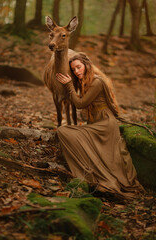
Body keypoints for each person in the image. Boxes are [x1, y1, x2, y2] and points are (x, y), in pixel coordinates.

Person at [56, 52, 144, 199]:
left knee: (65, 131)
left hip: (105, 125)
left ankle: (107, 181)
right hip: (97, 123)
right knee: (64, 131)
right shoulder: (86, 81)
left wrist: (69, 85)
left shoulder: (96, 81)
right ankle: (92, 175)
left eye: (79, 67)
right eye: (74, 69)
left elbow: (80, 104)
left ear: (86, 65)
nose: (77, 71)